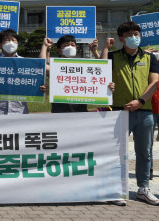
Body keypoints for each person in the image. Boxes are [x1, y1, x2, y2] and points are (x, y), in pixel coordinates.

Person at [100, 21, 159, 205]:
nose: (134, 37)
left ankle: (143, 188)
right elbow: (99, 74)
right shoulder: (113, 57)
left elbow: (155, 82)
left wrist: (140, 101)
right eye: (129, 35)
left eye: (137, 33)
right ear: (121, 38)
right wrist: (107, 84)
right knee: (117, 153)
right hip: (119, 111)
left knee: (144, 152)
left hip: (144, 112)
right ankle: (116, 189)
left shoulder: (150, 58)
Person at [39, 35, 114, 113]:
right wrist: (44, 46)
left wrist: (102, 49)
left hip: (81, 111)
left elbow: (102, 68)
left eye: (73, 45)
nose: (70, 47)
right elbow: (42, 66)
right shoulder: (56, 67)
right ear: (59, 50)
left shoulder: (82, 66)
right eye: (66, 45)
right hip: (59, 111)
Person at [0, 29, 28, 115]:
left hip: (20, 110)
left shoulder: (24, 62)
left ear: (18, 43)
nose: (11, 42)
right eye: (7, 40)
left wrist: (39, 88)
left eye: (13, 40)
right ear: (0, 44)